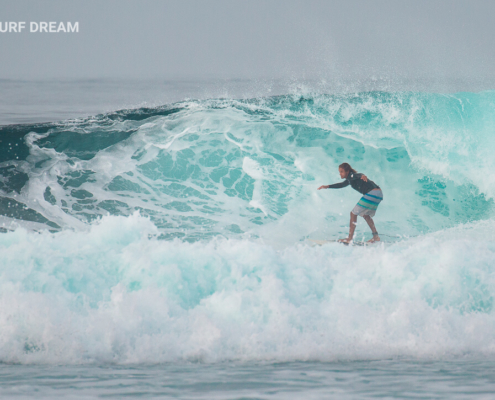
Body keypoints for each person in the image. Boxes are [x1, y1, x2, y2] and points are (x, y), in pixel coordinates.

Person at [317, 163, 383, 243]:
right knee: (365, 215)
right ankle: (375, 236)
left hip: (372, 193)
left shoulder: (352, 176)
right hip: (378, 193)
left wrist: (362, 175)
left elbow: (357, 175)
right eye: (339, 172)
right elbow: (341, 184)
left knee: (353, 213)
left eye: (341, 172)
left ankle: (349, 238)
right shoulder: (350, 180)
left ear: (347, 171)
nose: (340, 174)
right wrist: (328, 186)